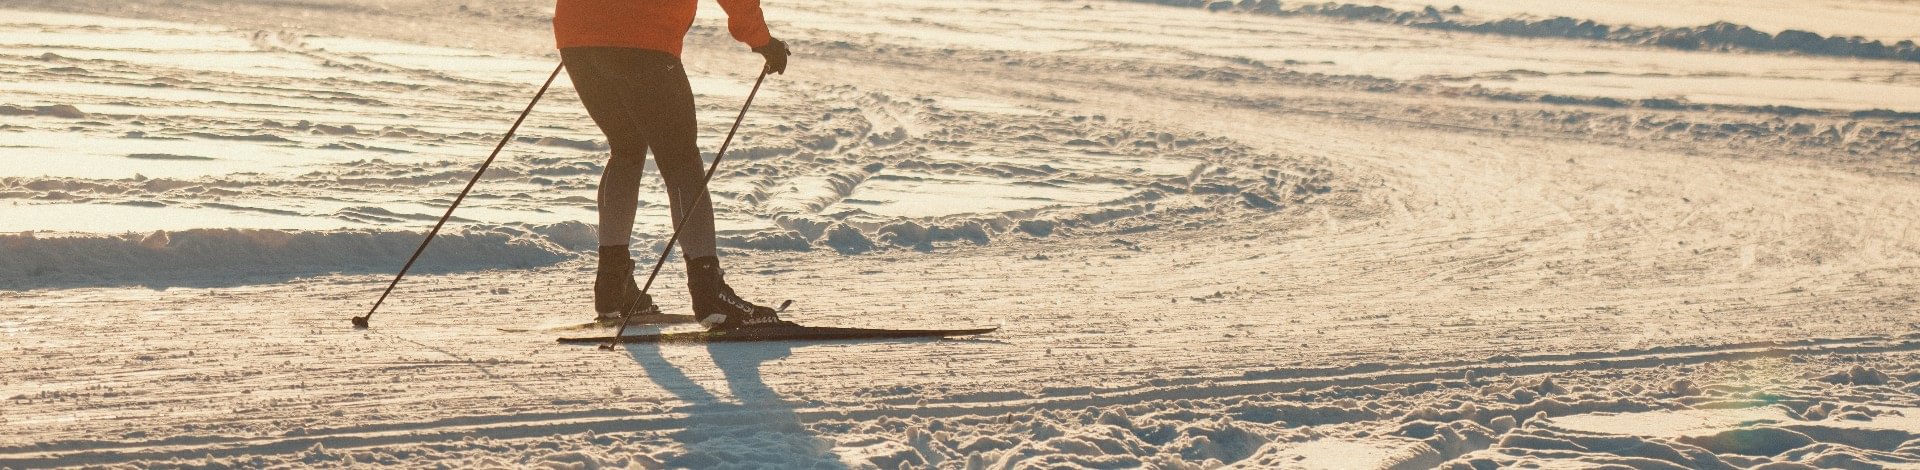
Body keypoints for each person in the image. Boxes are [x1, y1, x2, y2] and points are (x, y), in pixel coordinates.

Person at [553, 0, 790, 330]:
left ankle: (612, 288)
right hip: (644, 39)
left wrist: (589, 28)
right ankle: (709, 293)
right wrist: (761, 39)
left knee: (625, 149)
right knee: (681, 162)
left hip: (578, 37)